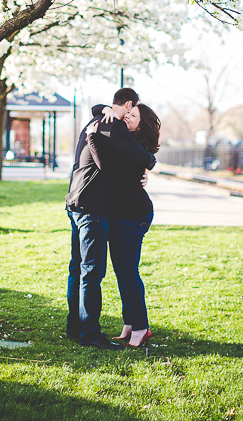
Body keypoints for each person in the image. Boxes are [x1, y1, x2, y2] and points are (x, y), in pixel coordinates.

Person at [65, 87, 157, 350]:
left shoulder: (97, 121)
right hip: (92, 207)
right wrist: (149, 162)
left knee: (81, 268)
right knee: (91, 272)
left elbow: (130, 163)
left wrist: (102, 108)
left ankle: (78, 327)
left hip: (79, 203)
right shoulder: (112, 125)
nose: (130, 116)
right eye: (133, 110)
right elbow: (141, 160)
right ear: (128, 105)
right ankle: (89, 333)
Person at [87, 102, 161, 348]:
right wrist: (108, 108)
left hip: (134, 215)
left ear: (143, 124)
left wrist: (92, 139)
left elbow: (109, 168)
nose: (127, 116)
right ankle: (130, 323)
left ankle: (141, 327)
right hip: (124, 215)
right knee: (123, 273)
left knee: (129, 272)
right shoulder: (127, 140)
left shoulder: (135, 146)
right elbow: (99, 107)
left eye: (134, 115)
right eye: (128, 112)